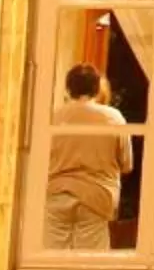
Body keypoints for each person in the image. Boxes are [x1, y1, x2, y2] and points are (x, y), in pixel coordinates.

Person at [44, 63, 130, 251]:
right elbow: (126, 163)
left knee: (53, 258)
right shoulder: (113, 118)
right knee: (90, 261)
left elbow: (41, 160)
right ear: (97, 88)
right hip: (97, 196)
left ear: (68, 88)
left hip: (58, 192)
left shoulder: (53, 117)